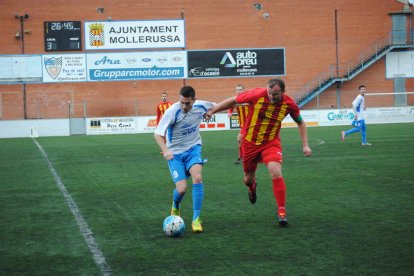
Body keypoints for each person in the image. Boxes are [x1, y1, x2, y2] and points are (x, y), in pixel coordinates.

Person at [205, 78, 312, 227]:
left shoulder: (289, 104)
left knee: (275, 171)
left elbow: (300, 122)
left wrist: (305, 145)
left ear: (283, 92)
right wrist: (212, 111)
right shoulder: (256, 95)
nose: (271, 97)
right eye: (269, 93)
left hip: (271, 143)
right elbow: (233, 100)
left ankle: (282, 212)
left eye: (275, 94)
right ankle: (252, 187)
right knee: (247, 179)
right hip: (249, 143)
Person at [154, 86, 215, 233]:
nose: (184, 106)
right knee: (181, 189)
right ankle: (175, 205)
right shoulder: (172, 111)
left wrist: (211, 111)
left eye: (187, 103)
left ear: (194, 100)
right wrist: (165, 150)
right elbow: (157, 133)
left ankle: (196, 218)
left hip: (193, 149)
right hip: (175, 154)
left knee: (198, 177)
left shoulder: (202, 105)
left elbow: (219, 105)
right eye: (181, 102)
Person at [227, 84, 249, 164]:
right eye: (237, 90)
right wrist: (230, 112)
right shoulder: (235, 100)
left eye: (240, 89)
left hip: (249, 123)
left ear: (243, 90)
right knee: (242, 141)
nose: (239, 91)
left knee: (239, 138)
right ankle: (242, 157)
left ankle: (242, 157)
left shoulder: (248, 98)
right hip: (243, 124)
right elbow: (230, 107)